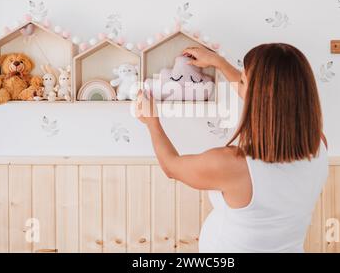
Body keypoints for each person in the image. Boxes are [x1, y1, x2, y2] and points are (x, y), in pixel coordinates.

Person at [136, 43, 328, 253]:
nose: (239, 82)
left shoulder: (232, 165)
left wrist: (152, 122)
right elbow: (263, 99)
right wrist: (218, 63)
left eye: (243, 80)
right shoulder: (319, 145)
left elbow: (171, 166)